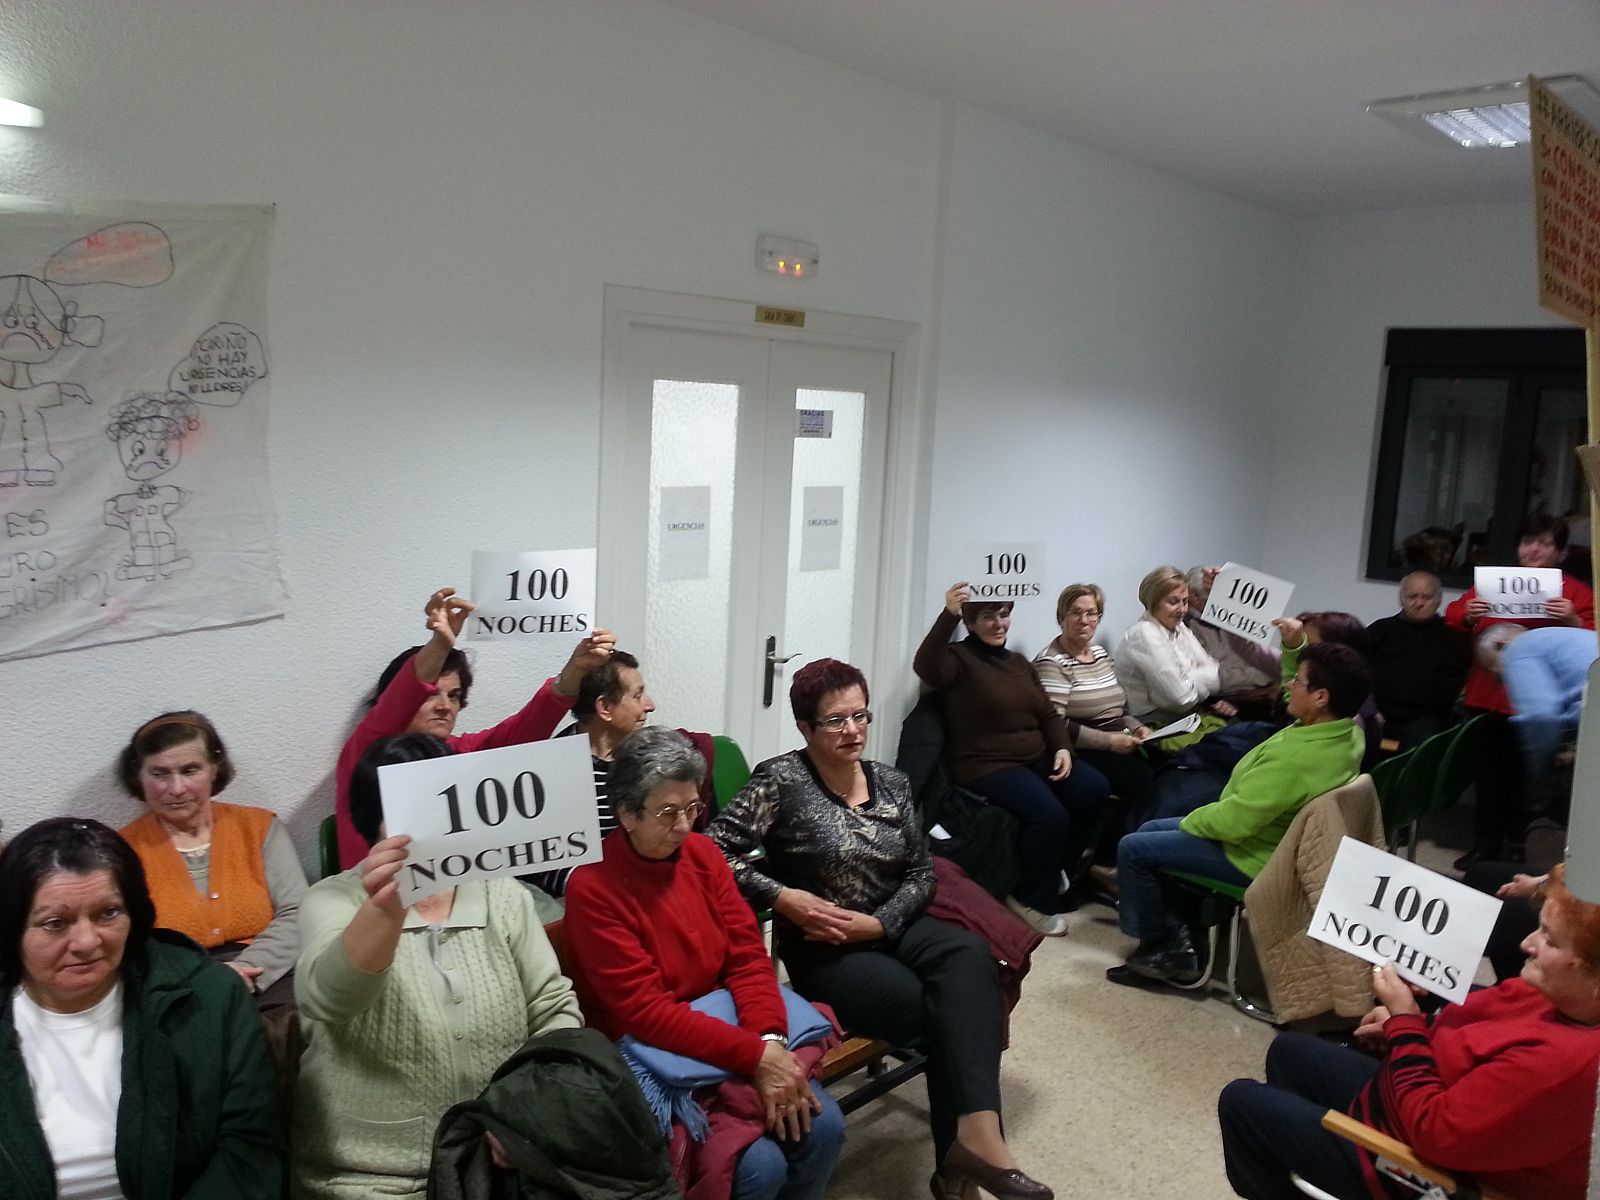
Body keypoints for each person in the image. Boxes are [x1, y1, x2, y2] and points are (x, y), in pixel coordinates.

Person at [711, 659, 1053, 1200]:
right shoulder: (780, 781)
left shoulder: (892, 782)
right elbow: (711, 852)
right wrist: (784, 897)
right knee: (945, 1011)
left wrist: (880, 923)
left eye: (860, 715)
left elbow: (921, 874)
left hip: (892, 922)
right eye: (835, 720)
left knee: (971, 957)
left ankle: (975, 1144)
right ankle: (960, 1168)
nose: (852, 730)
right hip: (827, 946)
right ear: (804, 727)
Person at [294, 733, 582, 1199]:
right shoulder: (332, 899)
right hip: (368, 1175)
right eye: (411, 807)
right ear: (375, 822)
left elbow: (553, 1009)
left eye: (443, 803)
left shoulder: (501, 894)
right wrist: (385, 908)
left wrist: (527, 1111)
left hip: (496, 1161)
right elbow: (328, 1000)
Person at [564, 727, 845, 1200]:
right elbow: (646, 1013)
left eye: (692, 808)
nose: (684, 826)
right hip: (654, 1055)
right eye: (667, 812)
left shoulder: (703, 855)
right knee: (758, 1168)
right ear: (627, 814)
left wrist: (769, 1040)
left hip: (731, 1031)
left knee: (825, 1127)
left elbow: (747, 958)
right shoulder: (593, 888)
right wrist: (755, 1057)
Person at [1218, 864, 1600, 1200]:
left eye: (1549, 940)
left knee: (1242, 1105)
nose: (1527, 943)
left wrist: (1404, 1023)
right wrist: (1415, 1019)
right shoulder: (1557, 997)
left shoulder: (1562, 1066)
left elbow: (1435, 1133)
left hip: (1425, 1172)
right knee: (1288, 1052)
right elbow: (1474, 1028)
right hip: (1412, 1106)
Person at [0, 817, 283, 1199]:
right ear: (12, 929)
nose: (87, 942)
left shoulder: (210, 997)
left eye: (108, 913)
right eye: (55, 923)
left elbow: (252, 1151)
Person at [1109, 643, 1368, 987]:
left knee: (1134, 848)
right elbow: (1244, 813)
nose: (1290, 685)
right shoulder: (1347, 734)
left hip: (1253, 855)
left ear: (1321, 697)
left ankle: (1163, 947)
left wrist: (1191, 820)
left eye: (1298, 681)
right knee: (1151, 830)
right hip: (1278, 843)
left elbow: (1233, 824)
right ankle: (1180, 937)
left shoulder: (1296, 760)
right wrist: (1293, 649)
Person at [332, 585, 614, 868]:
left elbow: (522, 733)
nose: (445, 706)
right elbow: (400, 699)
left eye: (454, 696)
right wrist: (440, 645)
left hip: (455, 891)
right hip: (370, 892)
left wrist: (575, 671)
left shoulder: (457, 752)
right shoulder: (366, 753)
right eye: (431, 694)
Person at [914, 582, 1109, 936]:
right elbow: (926, 667)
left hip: (1033, 757)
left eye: (1004, 614)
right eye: (988, 616)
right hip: (985, 765)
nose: (999, 623)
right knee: (1050, 815)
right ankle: (1031, 899)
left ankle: (1056, 867)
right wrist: (948, 615)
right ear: (971, 623)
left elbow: (1048, 714)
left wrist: (1062, 747)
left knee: (1094, 788)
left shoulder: (1018, 662)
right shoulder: (958, 659)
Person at [116, 709, 306, 999]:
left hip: (268, 976)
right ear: (138, 776)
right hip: (176, 988)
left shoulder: (260, 828)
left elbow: (298, 912)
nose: (176, 789)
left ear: (214, 768)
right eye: (160, 774)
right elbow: (123, 942)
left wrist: (245, 970)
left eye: (190, 770)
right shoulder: (121, 851)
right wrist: (203, 982)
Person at [1445, 515, 1595, 869]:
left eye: (1545, 543)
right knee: (1488, 777)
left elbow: (1592, 640)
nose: (1534, 549)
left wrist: (1572, 619)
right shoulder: (1496, 583)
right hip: (1487, 697)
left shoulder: (1575, 591)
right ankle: (1485, 846)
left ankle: (1519, 848)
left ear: (1560, 552)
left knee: (1530, 780)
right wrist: (1468, 614)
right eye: (1528, 541)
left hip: (1543, 704)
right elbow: (1453, 616)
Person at [522, 649, 715, 901]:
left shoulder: (651, 756)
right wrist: (602, 891)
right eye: (637, 695)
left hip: (655, 882)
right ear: (605, 708)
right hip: (588, 897)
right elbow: (545, 867)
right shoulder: (552, 770)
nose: (650, 705)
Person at [1032, 582, 1156, 837]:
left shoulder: (1099, 653)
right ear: (1062, 617)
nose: (1084, 620)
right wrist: (1109, 742)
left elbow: (1118, 708)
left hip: (1120, 738)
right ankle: (1113, 850)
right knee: (1142, 780)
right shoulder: (1052, 662)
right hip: (1082, 747)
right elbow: (1054, 723)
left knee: (1169, 765)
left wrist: (1138, 728)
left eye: (1091, 613)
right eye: (1076, 612)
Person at [1118, 565, 1231, 729]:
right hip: (1152, 722)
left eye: (1185, 601)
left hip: (1187, 715)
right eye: (1173, 602)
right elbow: (1181, 698)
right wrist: (1194, 674)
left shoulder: (1178, 627)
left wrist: (1186, 678)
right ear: (1153, 602)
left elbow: (1216, 673)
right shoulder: (1144, 633)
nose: (1182, 609)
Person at [1183, 566, 1281, 720]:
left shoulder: (1235, 618)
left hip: (1265, 690)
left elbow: (1261, 656)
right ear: (1193, 596)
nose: (1220, 601)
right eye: (1212, 596)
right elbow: (1212, 677)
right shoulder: (1185, 627)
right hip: (1234, 697)